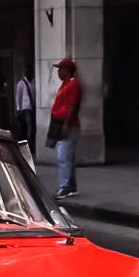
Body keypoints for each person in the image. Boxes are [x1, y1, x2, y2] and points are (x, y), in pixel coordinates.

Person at [50, 58, 82, 199]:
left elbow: (71, 107)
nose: (58, 72)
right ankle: (71, 186)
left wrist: (66, 125)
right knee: (69, 157)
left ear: (67, 70)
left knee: (63, 156)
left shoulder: (73, 86)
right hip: (63, 123)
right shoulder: (65, 85)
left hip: (68, 125)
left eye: (60, 69)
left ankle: (65, 186)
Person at [14, 67, 35, 156]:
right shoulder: (21, 83)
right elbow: (18, 97)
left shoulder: (34, 82)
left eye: (30, 71)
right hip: (26, 108)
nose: (28, 73)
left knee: (32, 127)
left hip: (33, 107)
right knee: (29, 127)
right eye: (27, 71)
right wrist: (19, 109)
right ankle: (28, 145)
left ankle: (31, 144)